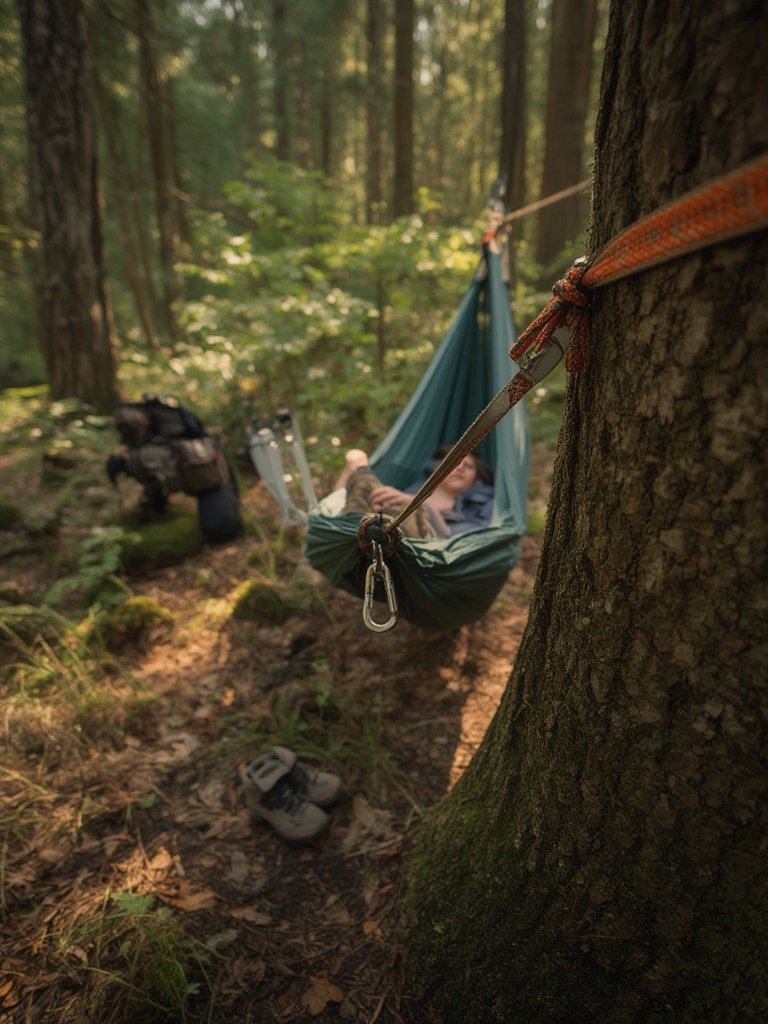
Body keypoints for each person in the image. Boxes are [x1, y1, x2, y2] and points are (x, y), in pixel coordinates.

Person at [334, 445, 494, 539]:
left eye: (469, 466)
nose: (460, 468)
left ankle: (361, 533)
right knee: (364, 480)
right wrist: (354, 464)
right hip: (369, 528)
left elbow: (469, 540)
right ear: (435, 469)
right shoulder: (406, 492)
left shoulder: (477, 506)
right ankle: (353, 533)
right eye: (454, 462)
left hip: (423, 547)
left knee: (401, 509)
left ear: (476, 479)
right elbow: (339, 499)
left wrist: (416, 505)